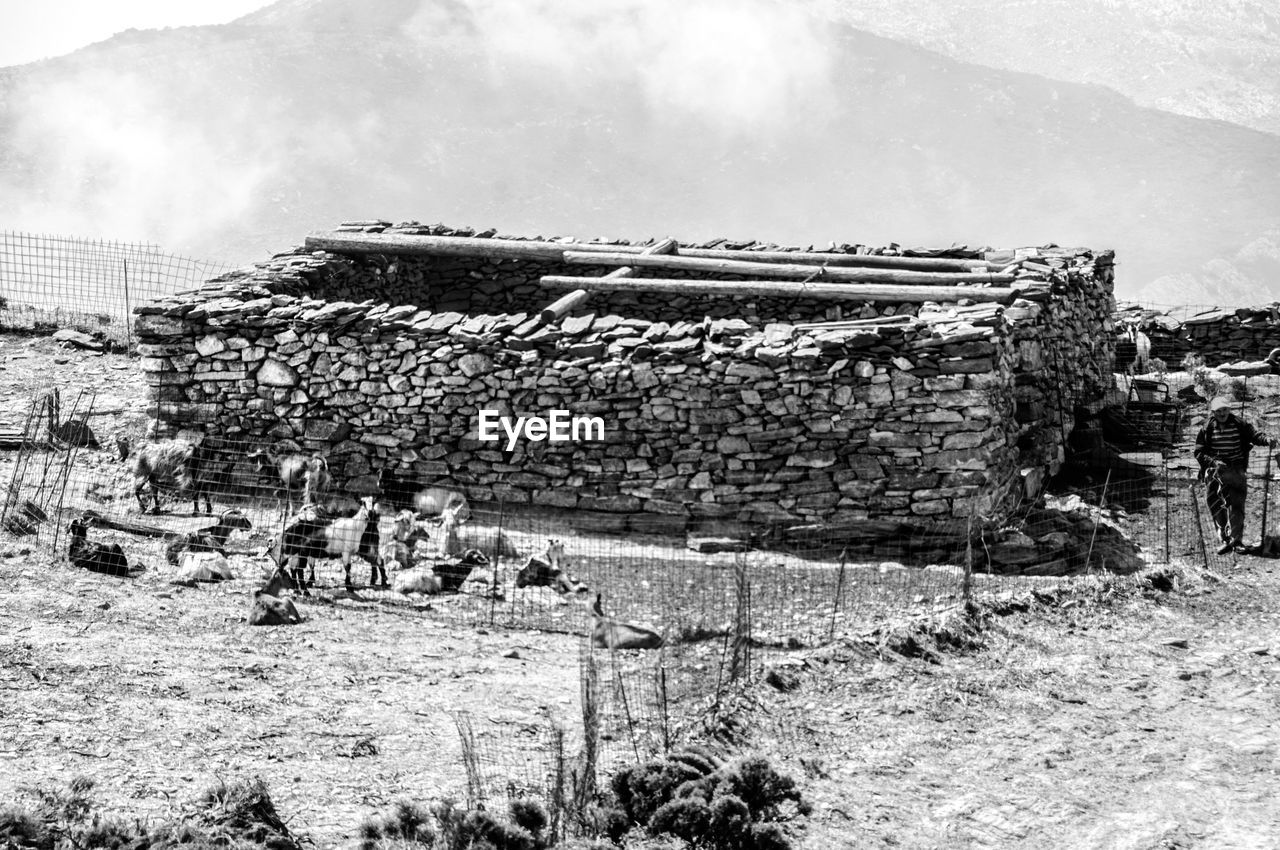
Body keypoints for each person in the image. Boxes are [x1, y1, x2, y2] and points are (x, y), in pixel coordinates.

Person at [1195, 397, 1277, 554]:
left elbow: (1254, 435)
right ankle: (1225, 539)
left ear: (1229, 409)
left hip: (1236, 469)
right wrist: (1213, 462)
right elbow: (1199, 451)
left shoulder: (1240, 424)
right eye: (1218, 411)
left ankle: (1236, 540)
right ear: (1213, 412)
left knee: (1237, 505)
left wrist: (1267, 440)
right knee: (1216, 504)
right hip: (1215, 471)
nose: (1222, 413)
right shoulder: (1207, 428)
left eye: (1224, 409)